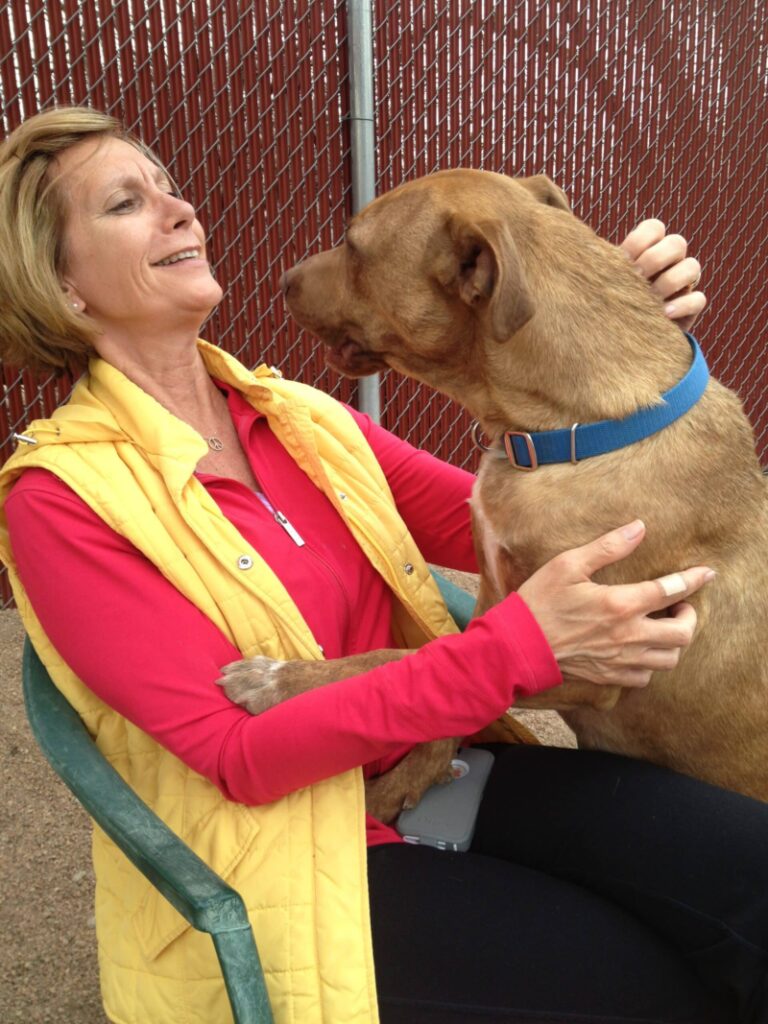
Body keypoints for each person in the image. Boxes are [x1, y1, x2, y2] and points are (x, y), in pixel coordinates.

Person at [0, 106, 765, 1024]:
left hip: (437, 778)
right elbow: (237, 755)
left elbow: (541, 516)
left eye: (169, 185)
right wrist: (506, 656)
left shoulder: (299, 419)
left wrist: (594, 326)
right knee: (660, 993)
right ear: (62, 285)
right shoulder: (59, 498)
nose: (180, 210)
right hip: (289, 860)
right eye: (128, 202)